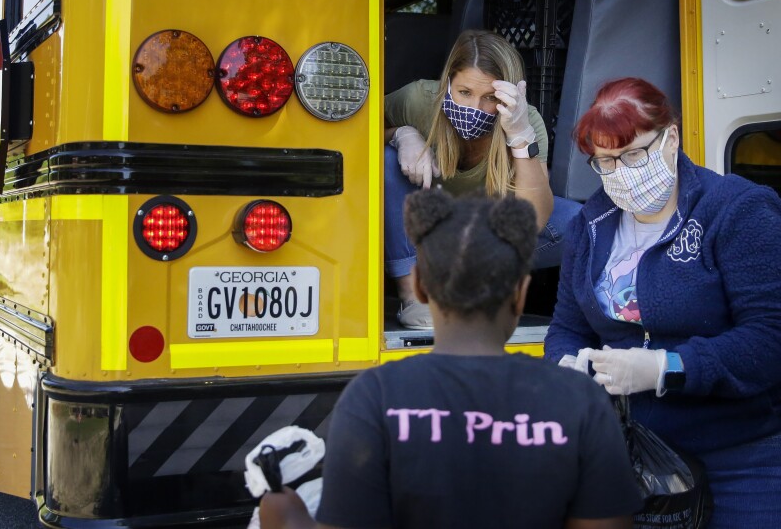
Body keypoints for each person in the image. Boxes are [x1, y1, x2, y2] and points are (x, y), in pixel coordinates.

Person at [258, 190, 642, 529]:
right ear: (521, 294)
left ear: (421, 285)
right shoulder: (581, 400)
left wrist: (283, 513)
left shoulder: (373, 398)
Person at [544, 77, 781, 528]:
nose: (621, 172)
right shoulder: (589, 226)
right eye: (606, 161)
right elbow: (568, 327)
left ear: (670, 138)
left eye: (633, 154)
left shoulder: (736, 210)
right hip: (639, 458)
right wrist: (567, 368)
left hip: (742, 456)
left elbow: (770, 338)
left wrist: (666, 368)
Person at [384, 29, 582, 329]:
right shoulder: (418, 100)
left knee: (576, 224)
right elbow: (356, 130)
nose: (475, 108)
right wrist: (400, 135)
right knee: (384, 158)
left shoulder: (526, 120)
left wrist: (519, 136)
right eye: (465, 93)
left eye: (489, 98)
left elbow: (537, 219)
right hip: (420, 225)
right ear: (448, 82)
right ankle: (413, 293)